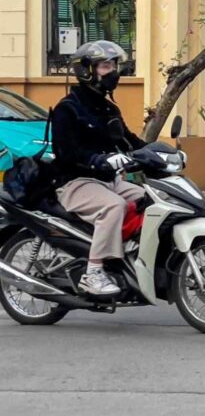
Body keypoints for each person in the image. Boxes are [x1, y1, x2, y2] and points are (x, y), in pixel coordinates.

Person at [51, 40, 147, 297]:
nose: (112, 72)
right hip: (74, 183)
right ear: (86, 71)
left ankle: (129, 258)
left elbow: (129, 141)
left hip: (107, 180)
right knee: (113, 206)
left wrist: (160, 153)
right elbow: (66, 153)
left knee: (148, 199)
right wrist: (97, 160)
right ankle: (92, 273)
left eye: (114, 65)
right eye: (105, 66)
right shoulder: (67, 109)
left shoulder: (107, 108)